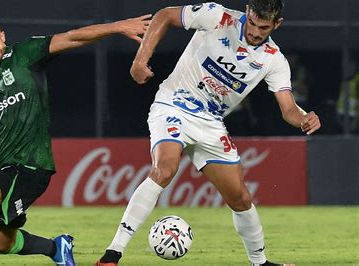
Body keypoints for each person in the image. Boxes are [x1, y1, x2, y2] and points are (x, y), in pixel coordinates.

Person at [95, 1, 320, 266]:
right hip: (174, 103)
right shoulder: (217, 16)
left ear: (276, 25)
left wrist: (303, 118)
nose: (256, 32)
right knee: (165, 169)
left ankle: (260, 263)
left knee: (240, 198)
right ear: (247, 12)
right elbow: (165, 15)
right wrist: (140, 61)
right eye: (253, 24)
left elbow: (288, 108)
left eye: (264, 28)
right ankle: (112, 255)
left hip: (210, 123)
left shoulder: (273, 59)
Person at [0, 14, 150, 266]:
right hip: (1, 168)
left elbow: (72, 37)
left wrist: (117, 27)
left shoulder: (25, 54)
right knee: (1, 244)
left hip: (29, 165)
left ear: (2, 36)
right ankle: (56, 248)